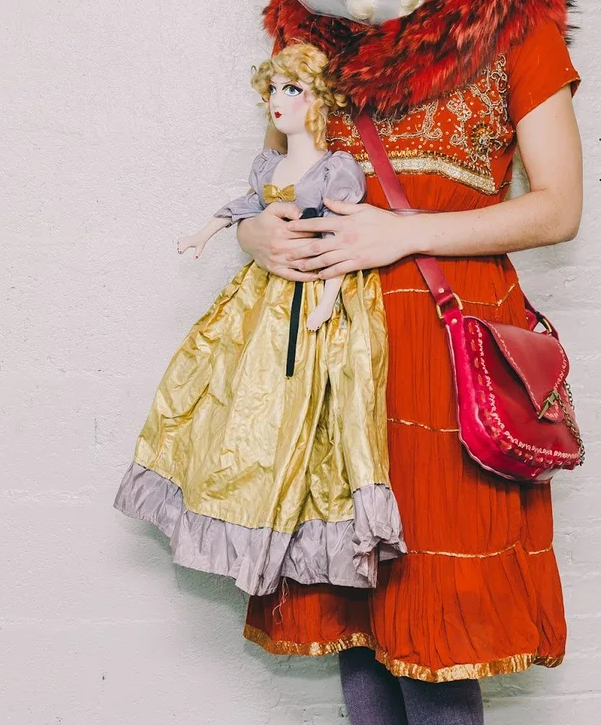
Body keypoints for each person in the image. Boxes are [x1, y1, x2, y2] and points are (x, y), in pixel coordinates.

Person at [238, 0, 585, 721]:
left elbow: (558, 206)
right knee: (360, 633)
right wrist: (257, 236)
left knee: (436, 641)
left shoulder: (512, 15)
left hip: (447, 343)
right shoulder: (313, 28)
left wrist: (405, 235)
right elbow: (279, 182)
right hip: (338, 349)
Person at [115, 43, 403, 597]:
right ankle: (234, 515)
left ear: (318, 100)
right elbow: (247, 206)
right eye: (273, 89)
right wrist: (208, 233)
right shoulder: (269, 164)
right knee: (227, 394)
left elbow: (340, 240)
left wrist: (328, 299)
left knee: (323, 417)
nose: (277, 100)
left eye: (292, 90)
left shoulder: (336, 170)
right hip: (263, 299)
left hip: (317, 293)